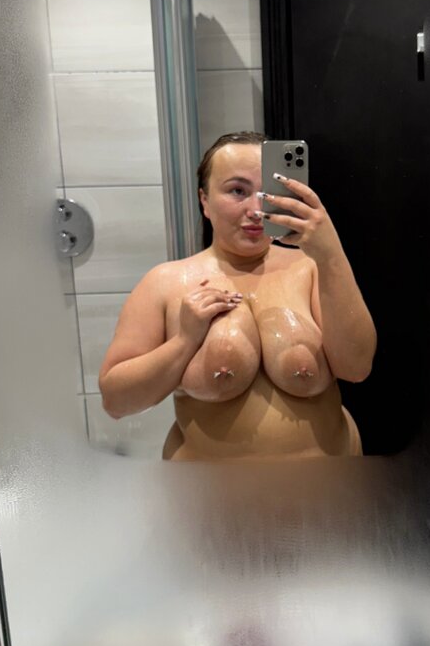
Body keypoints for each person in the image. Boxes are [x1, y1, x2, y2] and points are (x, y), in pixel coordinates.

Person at [99, 132, 376, 461]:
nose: (256, 209)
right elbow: (116, 402)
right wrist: (184, 341)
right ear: (205, 200)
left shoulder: (312, 269)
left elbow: (357, 367)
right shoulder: (165, 282)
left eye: (267, 192)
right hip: (210, 491)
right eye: (238, 191)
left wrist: (330, 253)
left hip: (327, 487)